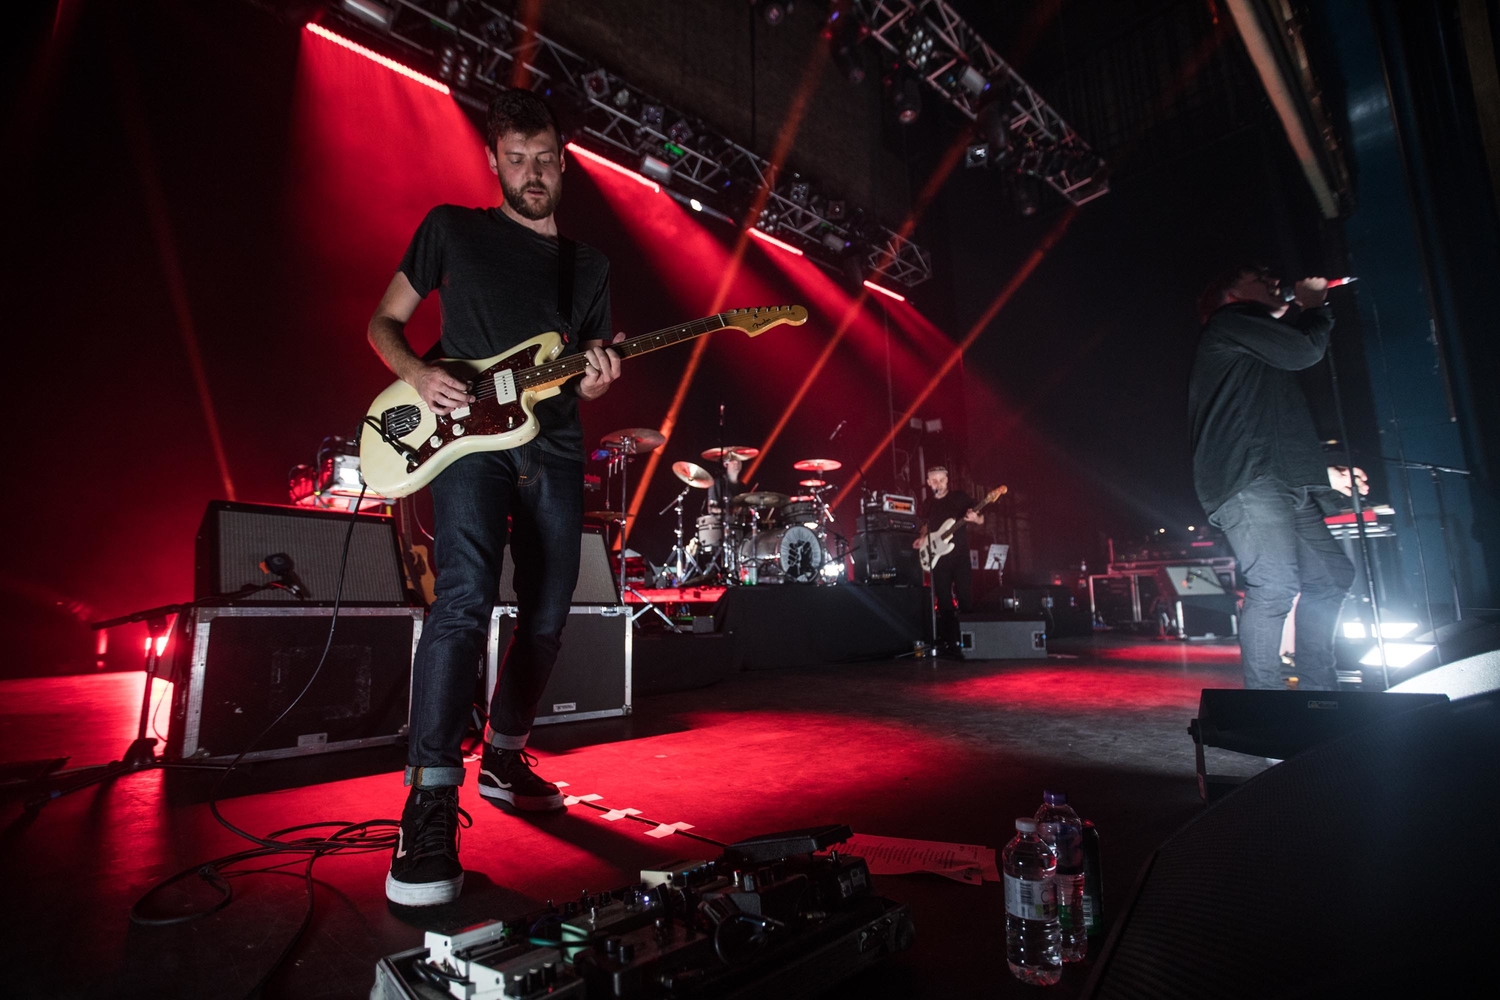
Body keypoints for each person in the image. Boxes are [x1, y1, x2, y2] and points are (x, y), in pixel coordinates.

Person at [366, 89, 624, 906]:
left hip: (552, 441)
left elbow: (590, 363)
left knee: (550, 614)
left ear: (564, 156)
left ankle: (505, 757)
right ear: (493, 160)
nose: (532, 172)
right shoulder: (453, 229)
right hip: (466, 442)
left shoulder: (589, 267)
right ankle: (431, 802)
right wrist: (417, 371)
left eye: (545, 157)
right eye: (516, 159)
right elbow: (383, 322)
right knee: (466, 597)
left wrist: (603, 371)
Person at [1188, 265, 1365, 692]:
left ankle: (1318, 692)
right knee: (1276, 584)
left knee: (1332, 576)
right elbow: (1306, 350)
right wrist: (1315, 305)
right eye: (1258, 276)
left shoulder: (1254, 347)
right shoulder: (1228, 325)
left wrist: (1325, 471)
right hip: (1249, 481)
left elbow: (1269, 426)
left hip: (1282, 480)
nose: (1272, 280)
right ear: (1230, 293)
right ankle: (1266, 708)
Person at [913, 466, 982, 653]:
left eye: (941, 480)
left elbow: (981, 519)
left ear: (947, 479)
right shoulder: (927, 503)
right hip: (938, 558)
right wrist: (922, 538)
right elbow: (926, 526)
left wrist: (975, 519)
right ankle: (951, 642)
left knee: (965, 596)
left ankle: (970, 640)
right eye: (934, 480)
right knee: (943, 600)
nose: (938, 484)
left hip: (959, 555)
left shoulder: (959, 498)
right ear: (928, 483)